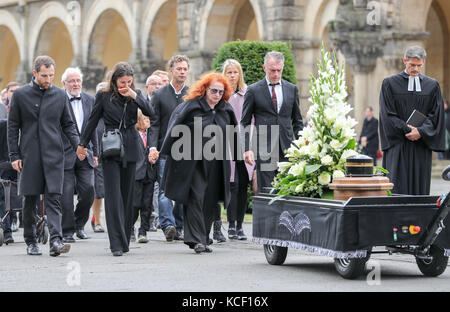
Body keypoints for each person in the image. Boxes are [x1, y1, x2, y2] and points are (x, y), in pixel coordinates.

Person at [77, 62, 155, 256]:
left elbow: (151, 113)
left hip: (130, 147)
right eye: (122, 82)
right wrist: (82, 144)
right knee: (113, 197)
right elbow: (92, 120)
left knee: (128, 197)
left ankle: (125, 238)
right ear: (114, 80)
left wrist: (134, 95)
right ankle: (116, 244)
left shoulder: (135, 95)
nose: (125, 85)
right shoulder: (103, 96)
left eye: (129, 81)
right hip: (111, 147)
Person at [8, 55, 80, 256]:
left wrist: (79, 146)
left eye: (51, 75)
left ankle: (55, 241)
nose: (48, 80)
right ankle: (31, 240)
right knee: (30, 199)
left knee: (54, 198)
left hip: (54, 155)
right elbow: (12, 127)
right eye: (44, 75)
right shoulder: (21, 95)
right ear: (35, 73)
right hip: (29, 156)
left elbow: (68, 124)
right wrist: (14, 155)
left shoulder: (59, 95)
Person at [160, 72, 238, 253]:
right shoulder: (191, 107)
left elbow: (234, 133)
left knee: (210, 201)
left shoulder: (225, 110)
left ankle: (203, 238)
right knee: (195, 197)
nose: (217, 95)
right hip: (192, 162)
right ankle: (196, 240)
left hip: (217, 163)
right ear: (204, 89)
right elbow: (175, 127)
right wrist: (166, 151)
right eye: (214, 91)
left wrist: (242, 153)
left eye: (221, 92)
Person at [379, 46, 445, 195]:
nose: (415, 69)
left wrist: (420, 131)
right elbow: (387, 114)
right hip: (398, 145)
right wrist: (407, 130)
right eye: (412, 65)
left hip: (421, 145)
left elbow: (436, 114)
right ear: (404, 61)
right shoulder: (389, 84)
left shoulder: (432, 86)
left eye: (419, 65)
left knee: (419, 192)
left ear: (424, 63)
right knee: (397, 190)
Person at [241, 51, 303, 193]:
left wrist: (301, 147)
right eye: (272, 70)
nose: (275, 74)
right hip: (264, 149)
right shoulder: (253, 90)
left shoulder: (291, 89)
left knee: (287, 191)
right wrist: (246, 148)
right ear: (264, 68)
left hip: (287, 149)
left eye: (279, 70)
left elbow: (297, 121)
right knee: (267, 192)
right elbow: (244, 122)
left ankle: (284, 217)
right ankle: (267, 216)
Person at [148, 55, 189, 242]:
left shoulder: (193, 94)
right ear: (171, 70)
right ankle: (167, 225)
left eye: (185, 69)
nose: (182, 72)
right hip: (164, 150)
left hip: (186, 150)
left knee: (182, 189)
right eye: (179, 68)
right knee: (164, 189)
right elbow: (154, 124)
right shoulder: (159, 95)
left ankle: (179, 226)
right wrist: (153, 147)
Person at [60, 67, 98, 243]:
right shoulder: (58, 100)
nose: (76, 84)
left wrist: (95, 152)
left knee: (89, 190)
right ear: (64, 84)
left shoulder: (90, 100)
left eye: (78, 81)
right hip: (65, 153)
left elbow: (93, 128)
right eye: (72, 81)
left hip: (86, 153)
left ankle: (79, 225)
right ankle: (67, 231)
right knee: (66, 195)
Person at [222, 58, 255, 241]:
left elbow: (252, 119)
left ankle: (240, 225)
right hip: (226, 141)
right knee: (231, 185)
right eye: (229, 72)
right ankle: (231, 224)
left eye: (235, 72)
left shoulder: (247, 92)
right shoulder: (221, 93)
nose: (232, 76)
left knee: (243, 185)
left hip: (245, 141)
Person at [132, 110, 157, 243]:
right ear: (138, 120)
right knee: (135, 204)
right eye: (145, 118)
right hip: (136, 174)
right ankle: (130, 227)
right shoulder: (133, 134)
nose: (148, 120)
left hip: (149, 173)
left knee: (147, 204)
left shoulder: (151, 134)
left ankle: (143, 231)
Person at [90, 82, 107, 233]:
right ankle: (97, 220)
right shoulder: (93, 112)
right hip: (97, 156)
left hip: (113, 155)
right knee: (98, 191)